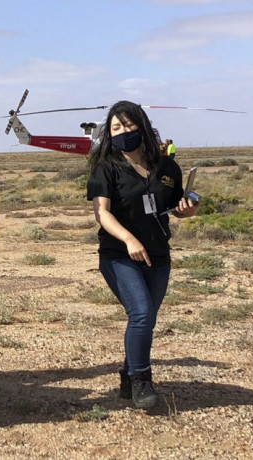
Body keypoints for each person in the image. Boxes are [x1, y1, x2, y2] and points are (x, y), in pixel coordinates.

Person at [86, 101, 198, 409]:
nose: (124, 132)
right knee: (142, 313)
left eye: (129, 125)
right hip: (119, 255)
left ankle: (127, 373)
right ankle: (141, 380)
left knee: (145, 320)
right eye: (116, 128)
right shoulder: (106, 168)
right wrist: (128, 239)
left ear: (143, 126)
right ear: (109, 135)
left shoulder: (166, 168)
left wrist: (189, 208)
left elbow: (177, 208)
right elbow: (102, 214)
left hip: (158, 256)